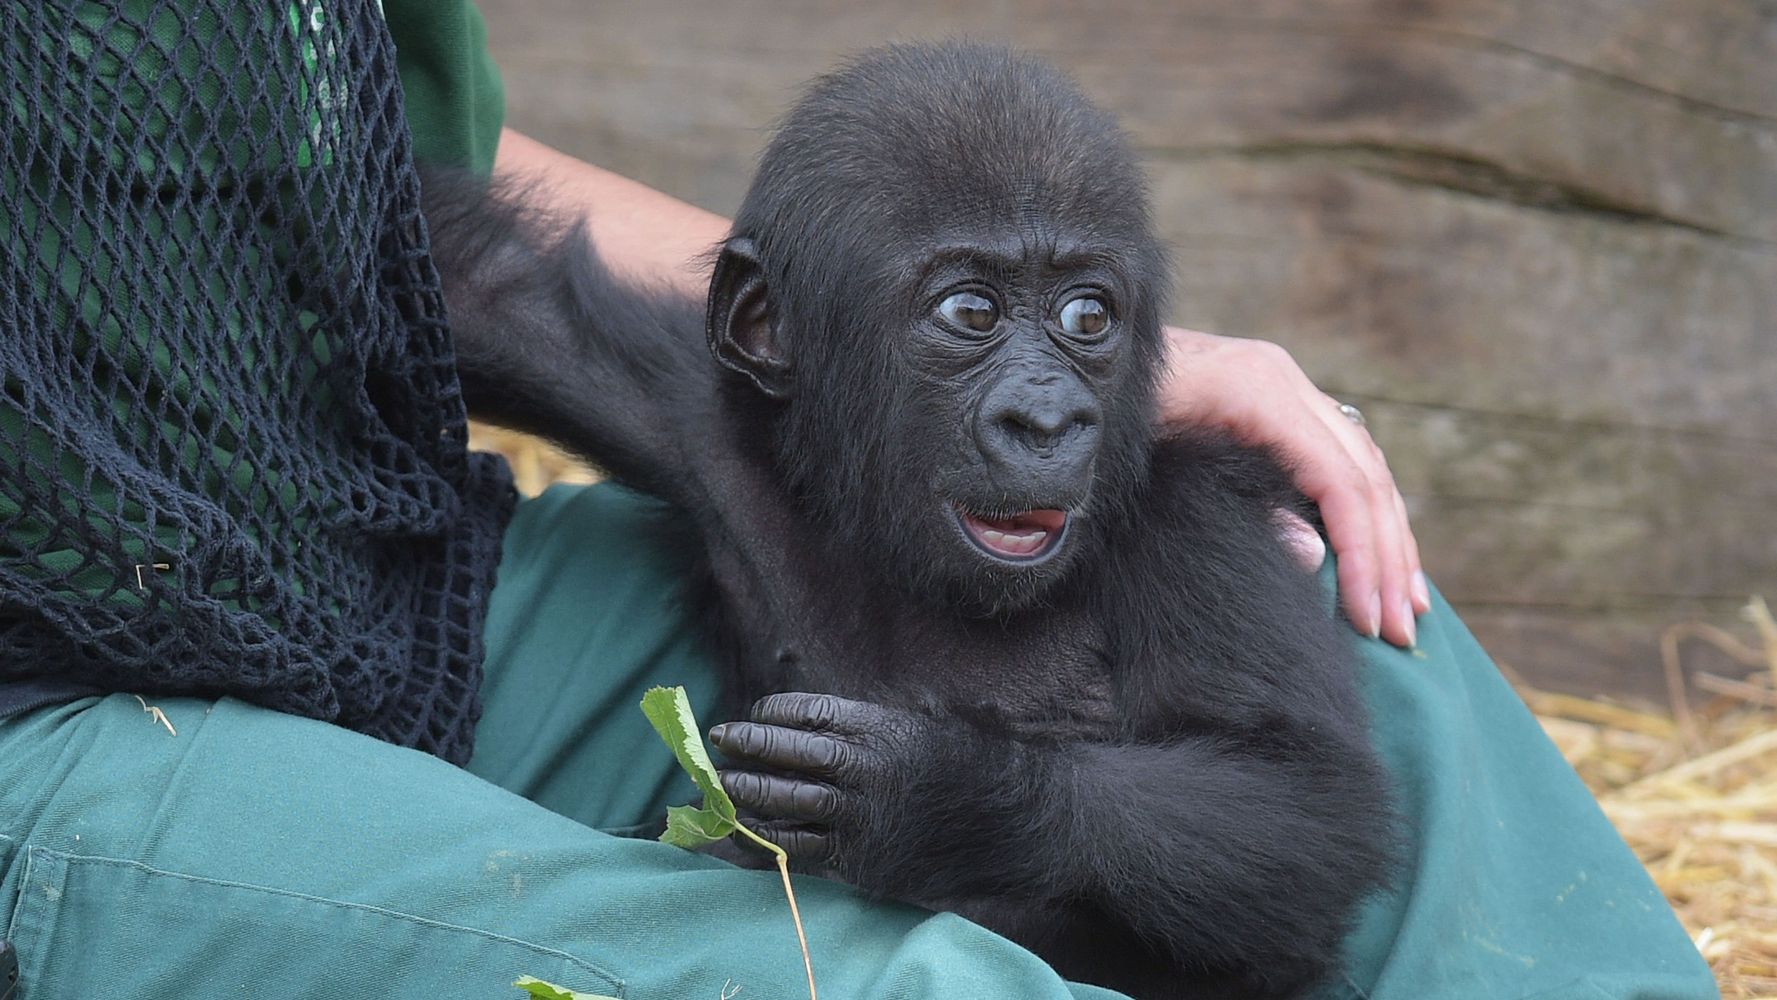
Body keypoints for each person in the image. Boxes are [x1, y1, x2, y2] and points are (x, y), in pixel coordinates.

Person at [0, 3, 1716, 998]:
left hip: (339, 570)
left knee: (1371, 624)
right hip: (54, 700)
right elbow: (519, 295)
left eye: (1085, 326)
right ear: (765, 334)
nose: (1050, 398)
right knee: (894, 985)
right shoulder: (728, 409)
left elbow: (424, 232)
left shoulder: (1092, 475)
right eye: (976, 322)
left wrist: (971, 336)